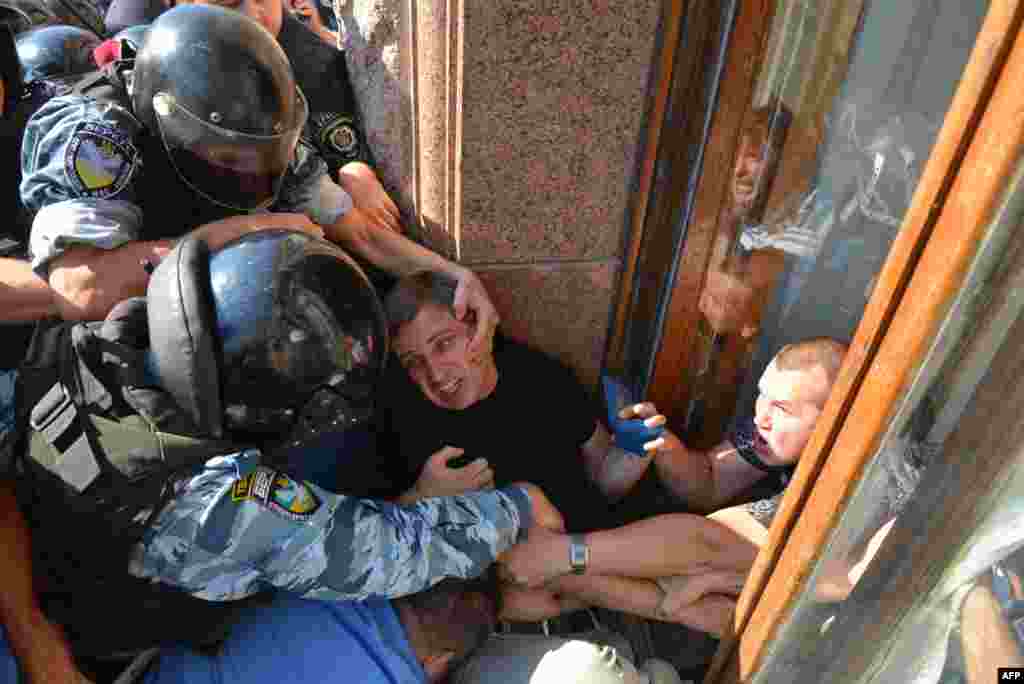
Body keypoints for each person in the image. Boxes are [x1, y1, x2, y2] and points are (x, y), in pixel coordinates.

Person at [20, 5, 490, 341]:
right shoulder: (98, 135)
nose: (254, 178)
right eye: (230, 159)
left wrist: (450, 275)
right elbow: (80, 288)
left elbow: (356, 228)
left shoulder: (264, 131)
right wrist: (250, 231)